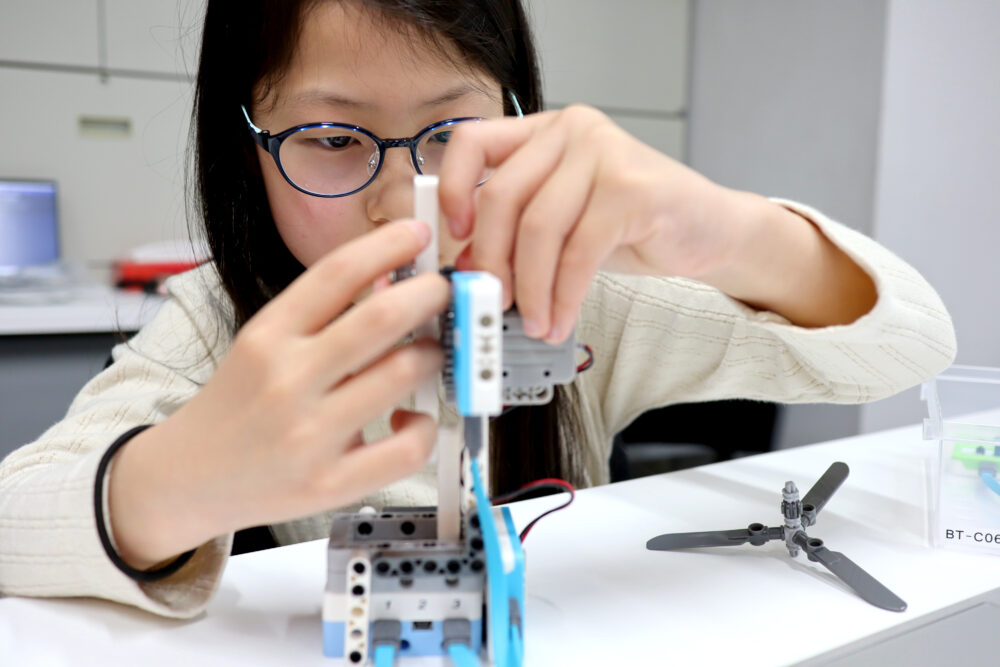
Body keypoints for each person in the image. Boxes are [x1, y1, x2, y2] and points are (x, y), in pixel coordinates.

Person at [0, 0, 955, 620]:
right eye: (331, 137)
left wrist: (728, 233)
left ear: (516, 110)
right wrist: (180, 477)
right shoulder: (220, 325)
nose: (403, 201)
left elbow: (913, 345)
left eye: (452, 132)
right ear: (247, 142)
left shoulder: (579, 292)